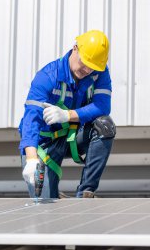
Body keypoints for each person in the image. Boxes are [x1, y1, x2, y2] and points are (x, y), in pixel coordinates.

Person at [19, 30, 116, 199]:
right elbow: (31, 117)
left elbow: (103, 106)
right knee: (44, 206)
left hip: (73, 138)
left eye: (93, 67)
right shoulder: (48, 76)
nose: (87, 70)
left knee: (104, 125)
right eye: (84, 63)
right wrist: (31, 158)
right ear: (75, 48)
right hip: (44, 144)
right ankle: (53, 194)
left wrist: (68, 115)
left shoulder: (99, 72)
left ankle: (86, 192)